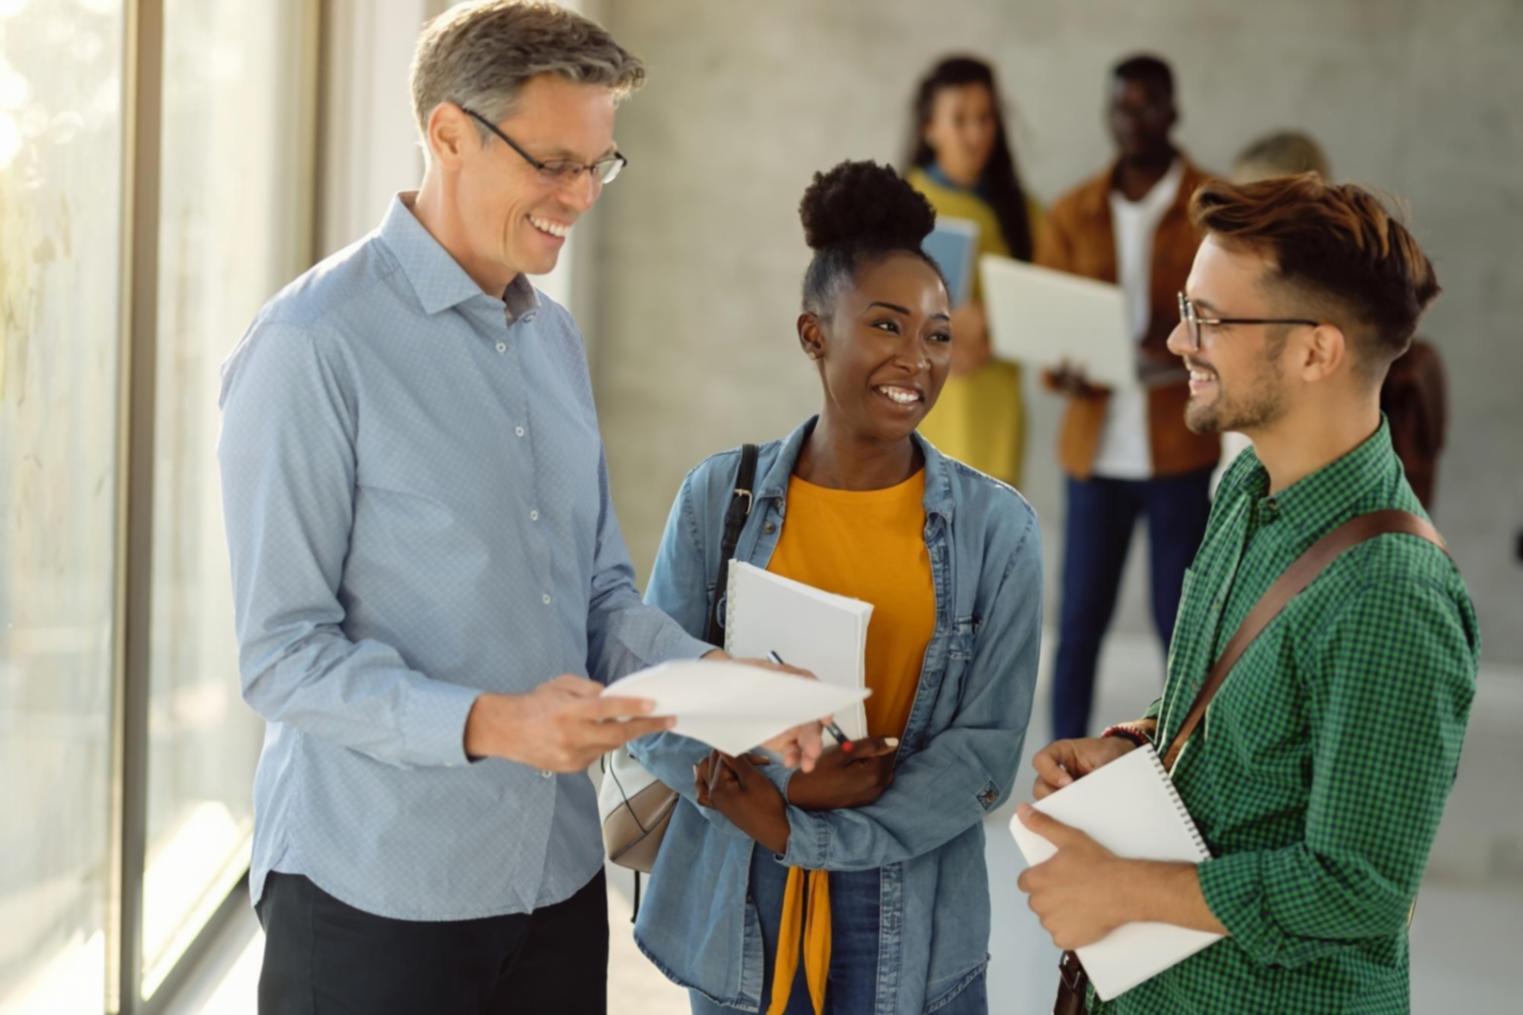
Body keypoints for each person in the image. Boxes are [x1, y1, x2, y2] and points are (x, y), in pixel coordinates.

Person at [217, 4, 818, 1012]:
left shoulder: (553, 341)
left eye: (597, 164)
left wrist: (725, 687)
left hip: (552, 879)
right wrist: (493, 724)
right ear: (448, 134)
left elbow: (597, 599)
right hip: (373, 894)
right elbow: (281, 655)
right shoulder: (312, 345)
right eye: (552, 163)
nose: (579, 196)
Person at [1017, 174, 1479, 1012]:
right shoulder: (1244, 491)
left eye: (1208, 318)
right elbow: (1231, 705)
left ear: (1314, 350)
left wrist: (1123, 889)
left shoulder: (1391, 593)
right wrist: (1136, 744)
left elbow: (1357, 886)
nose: (1175, 338)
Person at [628, 161, 1043, 1015]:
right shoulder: (720, 499)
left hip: (918, 921)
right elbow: (651, 700)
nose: (915, 360)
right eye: (886, 326)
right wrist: (784, 787)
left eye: (936, 333)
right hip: (741, 910)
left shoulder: (998, 530)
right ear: (814, 334)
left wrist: (807, 829)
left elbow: (983, 758)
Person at [1035, 54, 1219, 741]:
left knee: (1181, 627)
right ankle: (1061, 768)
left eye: (1146, 105)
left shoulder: (1210, 203)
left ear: (1172, 110)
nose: (1132, 120)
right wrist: (1067, 367)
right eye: (1120, 107)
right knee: (1077, 622)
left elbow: (1231, 313)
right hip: (1095, 453)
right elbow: (1046, 330)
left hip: (1178, 447)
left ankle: (1178, 765)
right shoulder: (1072, 210)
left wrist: (1173, 336)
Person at [1226, 130, 1448, 509]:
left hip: (1294, 494)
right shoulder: (1277, 275)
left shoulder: (1312, 287)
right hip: (1257, 488)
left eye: (1251, 201)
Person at [905, 55, 1040, 487]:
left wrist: (993, 320)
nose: (976, 134)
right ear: (930, 127)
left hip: (996, 409)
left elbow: (1051, 300)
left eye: (985, 118)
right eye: (960, 120)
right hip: (928, 414)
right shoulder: (899, 206)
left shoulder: (1024, 211)